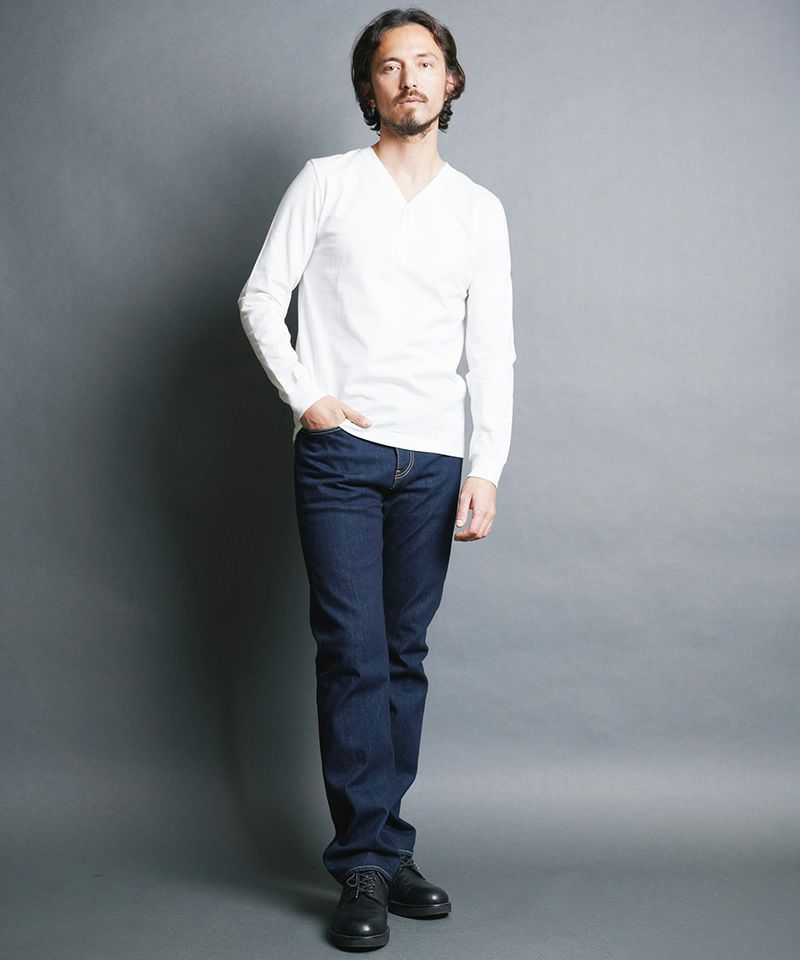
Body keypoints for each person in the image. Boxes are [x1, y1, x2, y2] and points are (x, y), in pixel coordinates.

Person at [237, 7, 515, 951]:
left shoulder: (478, 209)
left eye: (424, 63)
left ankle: (386, 849)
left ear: (450, 81)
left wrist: (486, 467)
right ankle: (361, 862)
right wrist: (307, 398)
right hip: (342, 457)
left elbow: (494, 350)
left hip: (434, 460)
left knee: (402, 655)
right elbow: (261, 297)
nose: (409, 79)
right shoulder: (327, 182)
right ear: (370, 88)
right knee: (352, 652)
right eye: (390, 66)